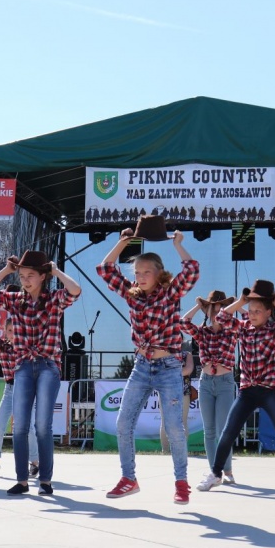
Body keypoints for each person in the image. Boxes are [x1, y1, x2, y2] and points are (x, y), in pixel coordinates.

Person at [97, 216, 199, 504]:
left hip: (168, 367)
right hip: (142, 366)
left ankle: (181, 482)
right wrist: (122, 242)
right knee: (122, 423)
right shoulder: (132, 295)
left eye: (146, 272)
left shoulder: (170, 293)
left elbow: (192, 270)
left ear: (159, 274)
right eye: (137, 271)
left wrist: (178, 245)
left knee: (173, 428)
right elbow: (105, 268)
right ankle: (129, 478)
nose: (140, 276)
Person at [196, 282, 275, 495]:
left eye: (257, 311)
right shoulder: (243, 328)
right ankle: (216, 474)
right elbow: (223, 317)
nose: (251, 315)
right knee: (227, 432)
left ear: (268, 312)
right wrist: (241, 302)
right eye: (250, 311)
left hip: (270, 391)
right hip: (247, 391)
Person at [0, 250, 81, 496]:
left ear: (43, 276)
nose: (25, 280)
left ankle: (45, 480)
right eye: (22, 275)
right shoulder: (15, 300)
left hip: (47, 365)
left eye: (30, 275)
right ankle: (22, 481)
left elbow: (75, 290)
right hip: (22, 366)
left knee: (42, 426)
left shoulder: (55, 298)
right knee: (20, 426)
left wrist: (56, 270)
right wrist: (6, 271)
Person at [181, 290, 239, 481]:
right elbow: (183, 322)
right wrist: (200, 305)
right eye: (212, 309)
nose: (215, 313)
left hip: (224, 382)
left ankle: (227, 469)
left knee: (224, 429)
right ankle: (215, 472)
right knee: (209, 430)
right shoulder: (202, 332)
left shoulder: (232, 330)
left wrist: (222, 312)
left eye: (220, 308)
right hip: (206, 382)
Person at [0, 302, 40, 477]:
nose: (13, 335)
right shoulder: (2, 347)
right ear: (5, 332)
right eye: (9, 331)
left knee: (28, 428)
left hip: (26, 391)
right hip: (9, 390)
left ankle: (35, 463)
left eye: (16, 331)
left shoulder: (28, 348)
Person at [159, 340, 194, 455]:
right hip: (165, 391)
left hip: (183, 391)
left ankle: (181, 451)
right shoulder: (162, 353)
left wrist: (171, 372)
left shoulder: (187, 354)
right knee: (165, 421)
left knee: (183, 421)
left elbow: (189, 369)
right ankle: (165, 451)